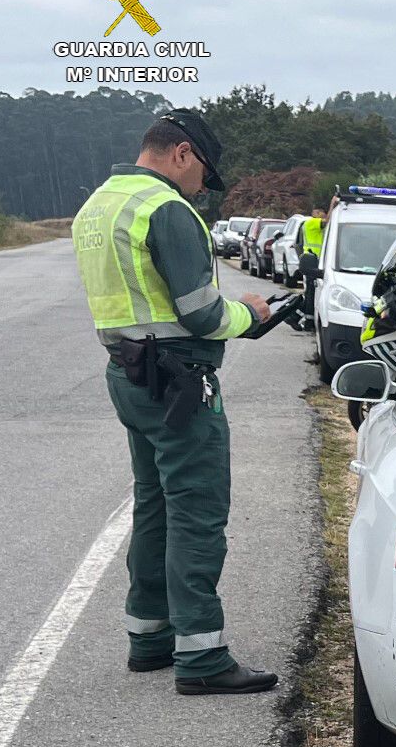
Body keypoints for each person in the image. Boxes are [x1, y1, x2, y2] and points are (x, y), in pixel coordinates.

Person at [71, 108, 278, 696]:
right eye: (203, 175)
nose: (201, 189)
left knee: (155, 505)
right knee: (197, 512)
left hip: (129, 373)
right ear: (182, 153)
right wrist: (254, 314)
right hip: (181, 381)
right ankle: (203, 657)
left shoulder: (98, 206)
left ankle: (150, 638)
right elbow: (203, 314)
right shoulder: (166, 208)